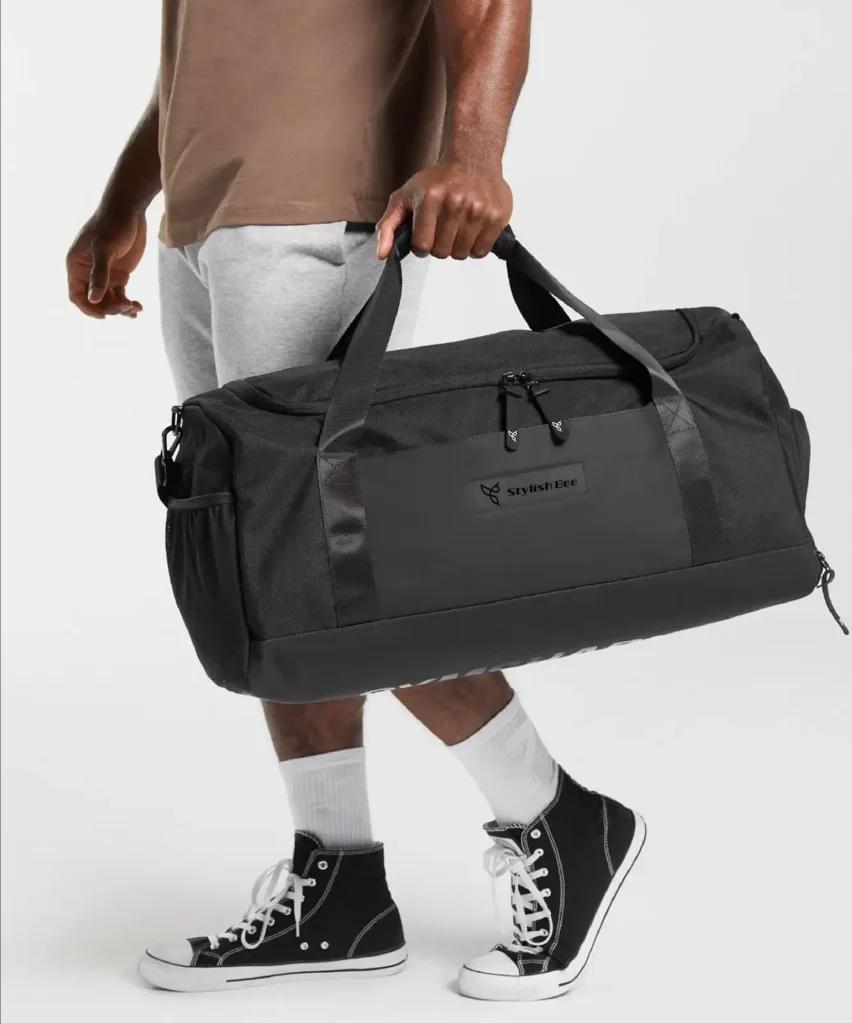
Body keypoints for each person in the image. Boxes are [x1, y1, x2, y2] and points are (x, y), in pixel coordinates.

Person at [66, 0, 644, 1002]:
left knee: (331, 564)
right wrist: (127, 198)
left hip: (313, 216)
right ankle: (339, 887)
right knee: (268, 567)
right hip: (200, 228)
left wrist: (475, 157)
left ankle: (558, 814)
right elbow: (204, 47)